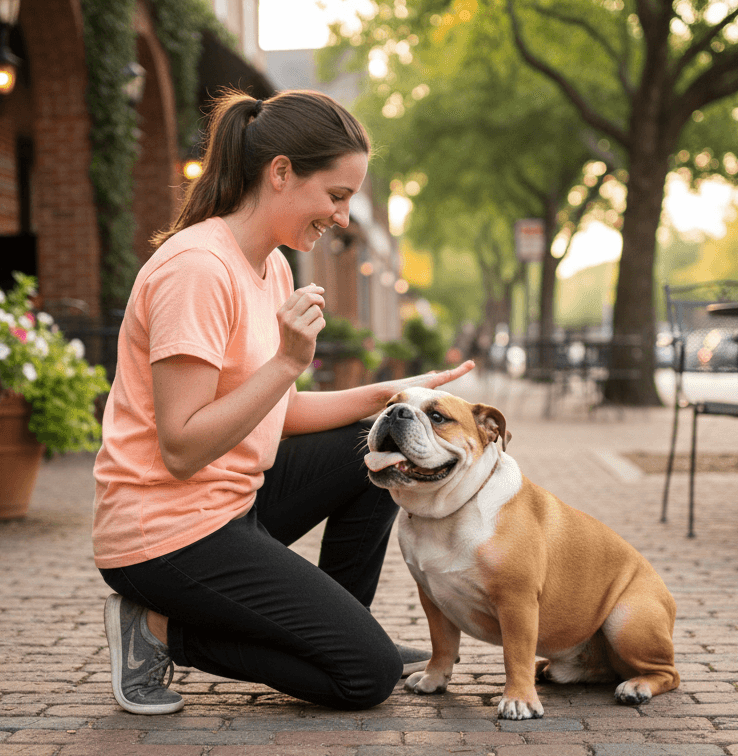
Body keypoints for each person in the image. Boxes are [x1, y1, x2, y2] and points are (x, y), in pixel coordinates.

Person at [93, 88, 474, 716]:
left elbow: (279, 412)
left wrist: (390, 398)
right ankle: (159, 630)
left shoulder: (270, 267)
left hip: (232, 503)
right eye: (337, 195)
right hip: (165, 534)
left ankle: (343, 627)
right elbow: (183, 447)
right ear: (280, 174)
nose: (344, 217)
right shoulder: (196, 270)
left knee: (374, 449)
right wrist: (288, 362)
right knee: (365, 676)